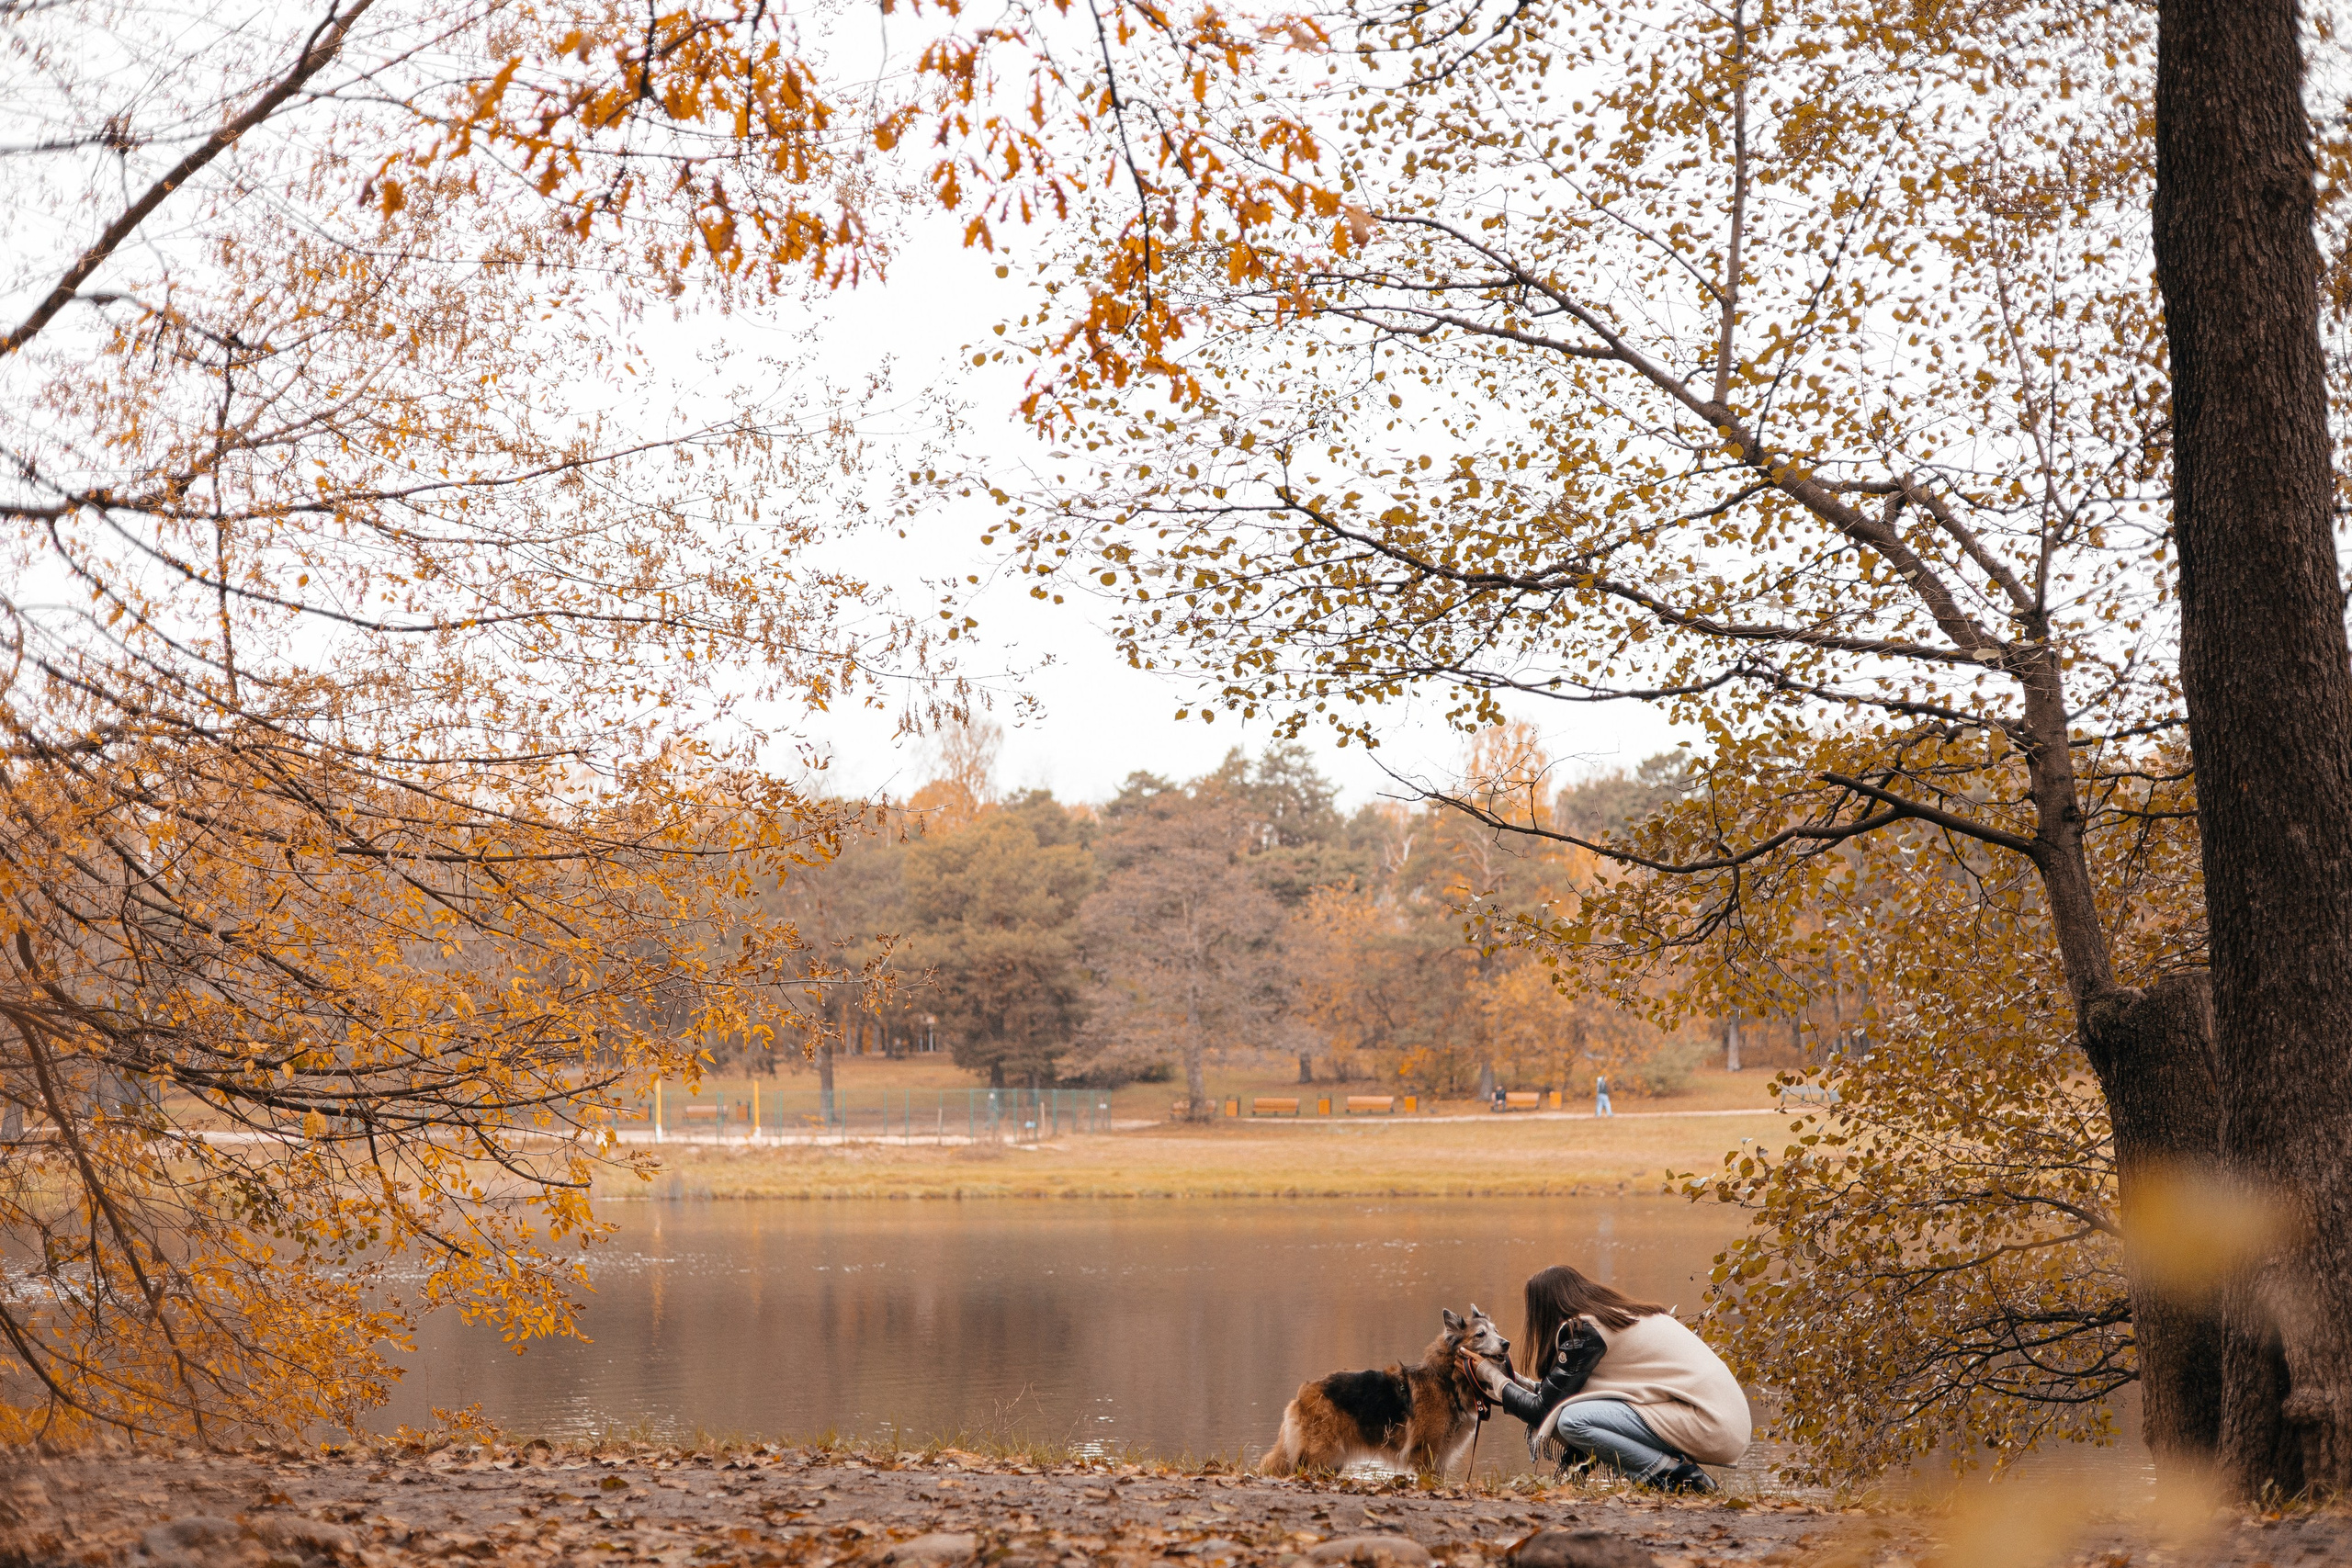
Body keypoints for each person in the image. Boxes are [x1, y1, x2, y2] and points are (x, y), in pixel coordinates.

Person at [1463, 1264, 1749, 1493]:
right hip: (1719, 1419)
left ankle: (1677, 1476)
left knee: (1571, 1420)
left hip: (1710, 1424)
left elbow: (1544, 1409)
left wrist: (1490, 1375)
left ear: (1544, 1310)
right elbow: (1561, 1394)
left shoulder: (1583, 1331)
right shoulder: (1617, 1317)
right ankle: (1669, 1473)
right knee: (1571, 1412)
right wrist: (1521, 1383)